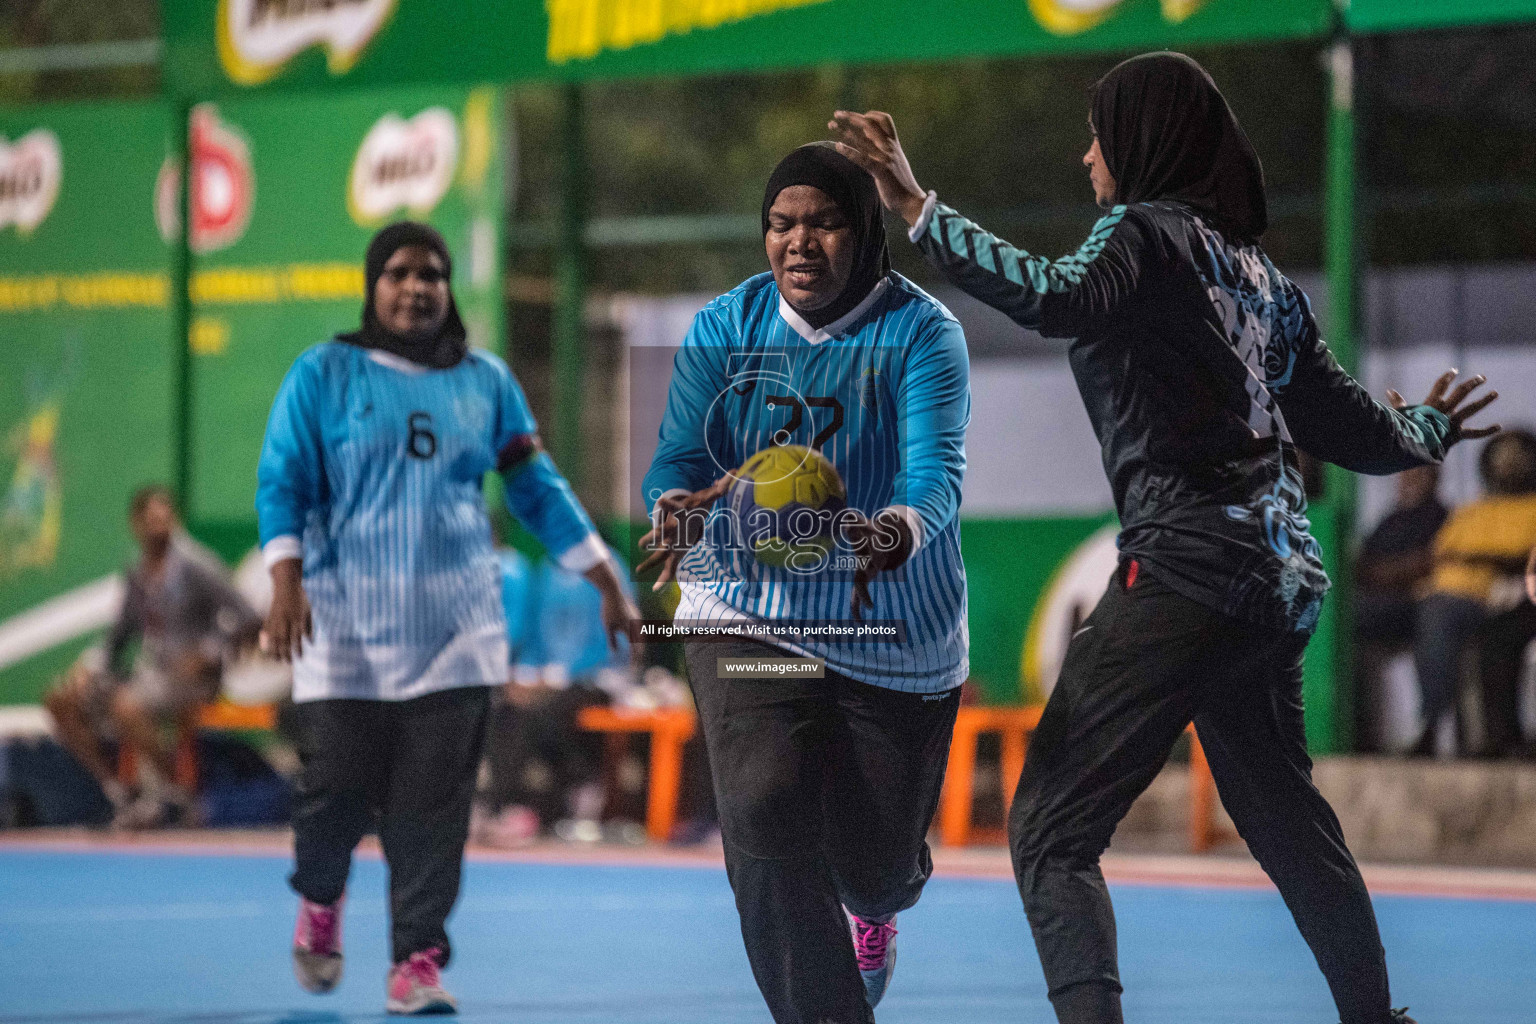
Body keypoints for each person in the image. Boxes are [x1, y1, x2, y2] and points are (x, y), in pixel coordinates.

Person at [830, 51, 1498, 1024]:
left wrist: (921, 206)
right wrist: (1430, 429)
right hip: (1277, 580)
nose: (1085, 153)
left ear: (1143, 139)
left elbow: (1052, 295)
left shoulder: (1142, 237)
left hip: (1187, 563)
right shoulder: (1263, 278)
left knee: (1051, 829)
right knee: (1285, 822)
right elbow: (1353, 427)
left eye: (1099, 131)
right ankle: (1378, 1016)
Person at [257, 221, 638, 1015]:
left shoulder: (486, 381)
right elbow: (282, 481)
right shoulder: (323, 374)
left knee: (431, 815)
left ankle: (416, 962)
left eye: (431, 273)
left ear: (447, 287)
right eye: (398, 273)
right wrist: (284, 579)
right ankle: (321, 900)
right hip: (346, 635)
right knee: (331, 802)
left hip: (457, 636)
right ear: (373, 286)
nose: (415, 286)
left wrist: (605, 575)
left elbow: (537, 490)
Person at [640, 143, 970, 1023]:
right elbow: (677, 459)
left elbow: (934, 469)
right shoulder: (724, 327)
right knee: (762, 804)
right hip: (746, 614)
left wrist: (898, 530)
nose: (799, 242)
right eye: (781, 224)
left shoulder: (922, 333)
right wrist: (673, 508)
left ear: (861, 230)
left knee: (876, 864)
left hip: (888, 627)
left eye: (821, 221)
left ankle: (876, 907)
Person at [44, 484, 260, 827]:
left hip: (193, 679)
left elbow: (247, 615)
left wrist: (208, 652)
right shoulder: (136, 572)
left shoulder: (195, 564)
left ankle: (177, 796)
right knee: (62, 700)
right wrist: (90, 667)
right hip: (149, 674)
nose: (161, 526)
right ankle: (121, 793)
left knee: (126, 704)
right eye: (152, 520)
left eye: (166, 519)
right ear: (136, 524)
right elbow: (118, 635)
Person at [1414, 430, 1536, 756]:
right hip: (1439, 596)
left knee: (1445, 622)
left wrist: (1475, 557)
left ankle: (1436, 724)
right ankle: (1436, 723)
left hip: (1495, 600)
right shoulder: (1471, 510)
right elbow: (1437, 555)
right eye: (1503, 459)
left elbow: (1523, 559)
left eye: (1517, 459)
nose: (1509, 466)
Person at [1354, 465, 1447, 751]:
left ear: (1434, 479)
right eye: (1405, 473)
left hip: (1420, 608)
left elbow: (1433, 561)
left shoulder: (1442, 517)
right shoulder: (1389, 521)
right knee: (1339, 630)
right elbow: (1360, 566)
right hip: (1377, 608)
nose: (1409, 480)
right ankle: (1359, 734)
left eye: (1418, 473)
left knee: (1435, 627)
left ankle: (1429, 729)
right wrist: (1392, 572)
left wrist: (1391, 573)